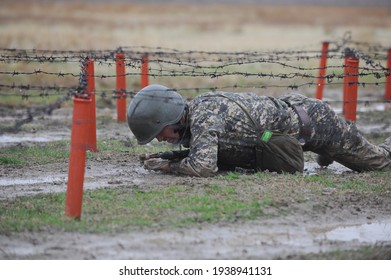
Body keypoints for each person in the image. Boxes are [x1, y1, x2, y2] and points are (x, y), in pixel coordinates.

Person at [127, 84, 391, 177]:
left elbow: (203, 167)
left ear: (171, 119)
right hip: (295, 117)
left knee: (379, 161)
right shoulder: (198, 110)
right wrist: (169, 156)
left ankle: (331, 149)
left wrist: (167, 167)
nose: (161, 139)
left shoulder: (204, 119)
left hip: (316, 124)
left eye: (160, 133)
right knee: (326, 150)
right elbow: (209, 151)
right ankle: (327, 153)